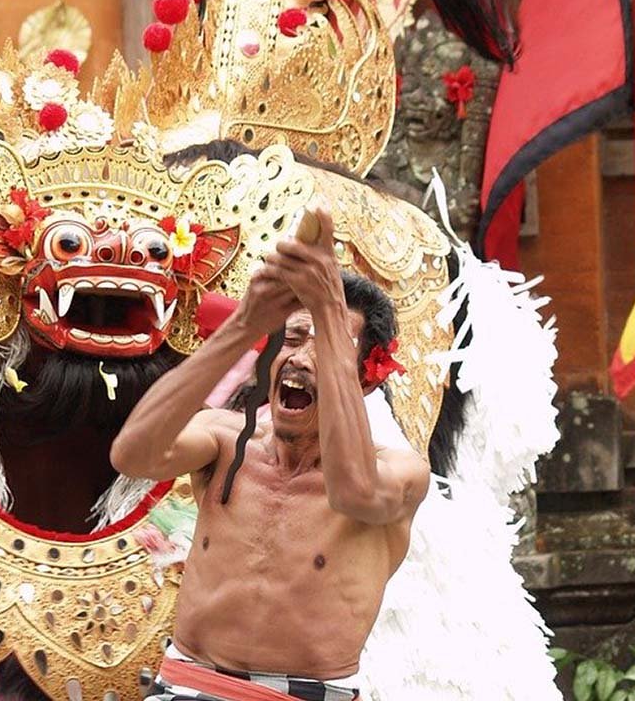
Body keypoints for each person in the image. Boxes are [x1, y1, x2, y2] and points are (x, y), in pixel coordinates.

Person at [111, 208, 429, 701]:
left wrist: (327, 307)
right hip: (186, 684)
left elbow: (353, 492)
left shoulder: (401, 472)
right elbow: (132, 455)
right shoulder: (223, 439)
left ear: (364, 379)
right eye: (293, 339)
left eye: (326, 349)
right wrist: (243, 325)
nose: (300, 358)